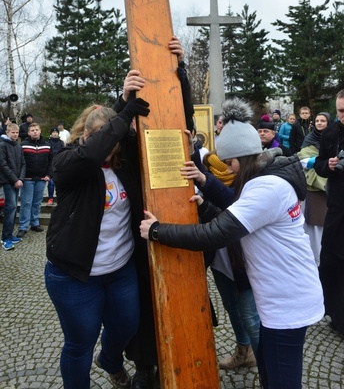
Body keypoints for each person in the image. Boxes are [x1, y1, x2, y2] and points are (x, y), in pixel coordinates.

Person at [140, 97, 324, 389]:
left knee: (282, 380)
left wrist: (158, 230)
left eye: (230, 162)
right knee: (268, 370)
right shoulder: (268, 179)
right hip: (281, 298)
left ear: (245, 156)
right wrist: (203, 192)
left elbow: (214, 233)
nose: (230, 168)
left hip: (287, 303)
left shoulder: (266, 188)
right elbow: (236, 213)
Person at [45, 96, 150, 389]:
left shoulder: (121, 164)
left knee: (127, 326)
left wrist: (125, 100)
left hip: (119, 271)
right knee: (80, 343)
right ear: (87, 136)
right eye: (105, 137)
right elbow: (91, 154)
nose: (111, 145)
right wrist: (123, 112)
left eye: (115, 139)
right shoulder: (68, 162)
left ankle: (111, 361)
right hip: (74, 275)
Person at [114, 37, 195, 389]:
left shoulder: (172, 138)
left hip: (174, 225)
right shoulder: (127, 146)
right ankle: (145, 365)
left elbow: (184, 116)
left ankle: (183, 355)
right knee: (141, 305)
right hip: (135, 236)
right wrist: (124, 99)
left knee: (181, 293)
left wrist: (181, 72)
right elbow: (113, 132)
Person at [190, 149, 259, 371]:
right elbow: (198, 171)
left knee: (250, 317)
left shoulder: (251, 183)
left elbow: (230, 206)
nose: (228, 168)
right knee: (232, 309)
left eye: (231, 163)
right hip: (220, 261)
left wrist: (204, 199)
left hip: (242, 262)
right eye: (224, 163)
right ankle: (243, 352)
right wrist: (191, 149)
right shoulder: (209, 173)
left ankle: (268, 370)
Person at [314, 89, 344, 337]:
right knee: (330, 261)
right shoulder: (330, 133)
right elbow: (319, 164)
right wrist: (329, 165)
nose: (342, 115)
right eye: (339, 111)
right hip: (336, 206)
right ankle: (333, 311)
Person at [297, 112, 331, 265]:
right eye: (317, 120)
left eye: (323, 121)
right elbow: (302, 159)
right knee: (315, 228)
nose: (319, 123)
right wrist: (321, 163)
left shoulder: (335, 139)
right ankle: (316, 261)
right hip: (315, 190)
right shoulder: (309, 140)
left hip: (333, 191)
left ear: (328, 123)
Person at [17, 123, 52, 237]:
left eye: (37, 130)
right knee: (26, 203)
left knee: (37, 202)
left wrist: (49, 174)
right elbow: (19, 162)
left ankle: (35, 223)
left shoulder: (47, 145)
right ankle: (23, 226)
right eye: (32, 130)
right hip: (27, 178)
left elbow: (52, 162)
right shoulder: (23, 145)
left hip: (41, 178)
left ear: (40, 131)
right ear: (28, 132)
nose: (35, 132)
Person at [0, 123, 26, 251]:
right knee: (10, 208)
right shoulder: (2, 145)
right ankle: (5, 238)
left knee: (14, 208)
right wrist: (15, 179)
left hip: (17, 182)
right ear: (7, 132)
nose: (15, 135)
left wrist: (20, 179)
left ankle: (10, 234)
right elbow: (3, 165)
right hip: (8, 182)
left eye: (17, 133)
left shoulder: (18, 146)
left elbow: (23, 163)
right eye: (13, 132)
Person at [47, 128, 64, 205]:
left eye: (56, 132)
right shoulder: (48, 142)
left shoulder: (61, 142)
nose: (55, 133)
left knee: (59, 182)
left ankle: (60, 197)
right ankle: (50, 198)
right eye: (53, 132)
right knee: (51, 182)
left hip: (59, 164)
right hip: (51, 164)